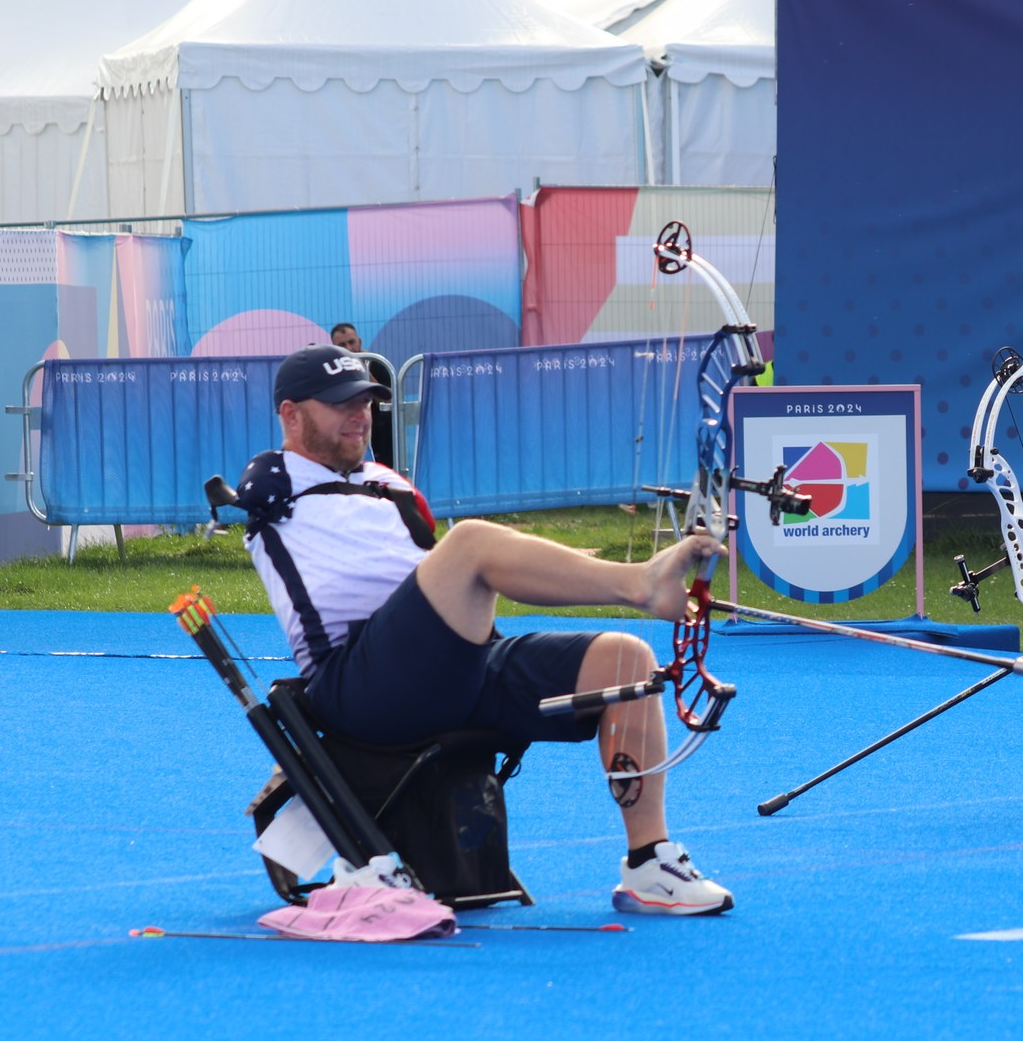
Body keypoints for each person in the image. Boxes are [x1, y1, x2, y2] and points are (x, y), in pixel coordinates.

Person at [234, 344, 732, 915]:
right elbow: (255, 483)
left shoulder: (388, 485)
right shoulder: (274, 485)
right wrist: (269, 466)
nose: (359, 414)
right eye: (339, 403)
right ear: (291, 415)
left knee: (627, 660)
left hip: (451, 667)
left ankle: (649, 865)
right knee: (470, 543)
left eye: (367, 401)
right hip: (359, 687)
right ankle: (639, 585)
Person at [329, 322, 395, 468]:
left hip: (379, 433)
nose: (349, 349)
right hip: (346, 432)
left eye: (352, 342)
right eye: (342, 345)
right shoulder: (331, 370)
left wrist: (365, 372)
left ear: (360, 342)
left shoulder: (377, 364)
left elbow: (390, 399)